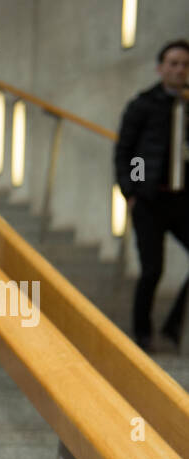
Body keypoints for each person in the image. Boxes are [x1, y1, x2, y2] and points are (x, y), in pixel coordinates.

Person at [115, 38, 189, 355]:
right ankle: (142, 334)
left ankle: (173, 325)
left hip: (183, 200)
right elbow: (129, 152)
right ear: (161, 68)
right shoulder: (143, 105)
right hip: (149, 201)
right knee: (152, 270)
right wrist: (132, 191)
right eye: (173, 63)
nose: (179, 69)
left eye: (185, 64)